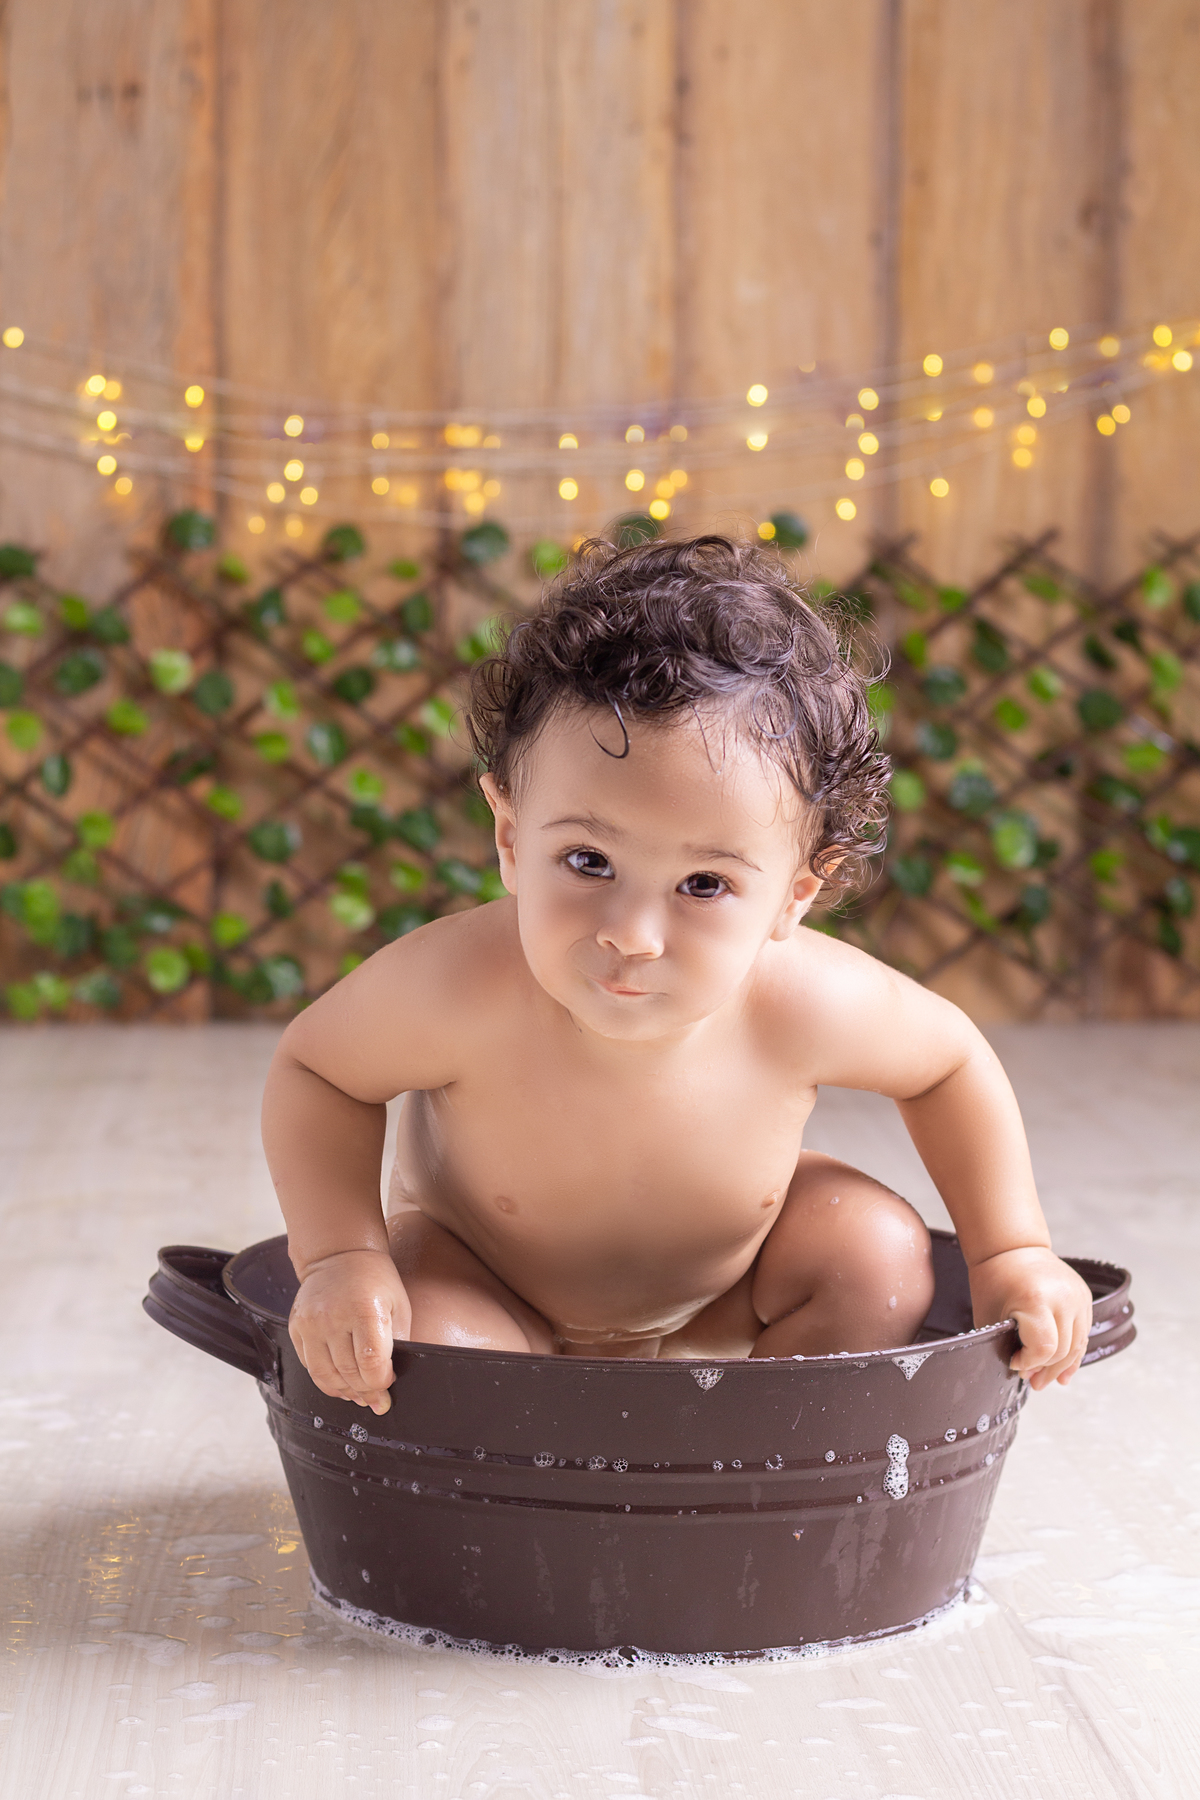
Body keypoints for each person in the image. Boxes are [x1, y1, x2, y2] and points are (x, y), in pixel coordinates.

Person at [261, 534, 1092, 1415]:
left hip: (723, 1305)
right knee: (428, 1339)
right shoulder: (461, 986)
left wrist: (1010, 1252)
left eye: (704, 884)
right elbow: (318, 1070)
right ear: (510, 837)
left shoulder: (802, 998)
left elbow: (949, 1063)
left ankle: (756, 1447)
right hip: (491, 1293)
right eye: (587, 861)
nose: (634, 935)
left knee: (876, 1251)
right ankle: (529, 1471)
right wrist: (341, 1258)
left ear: (794, 896)